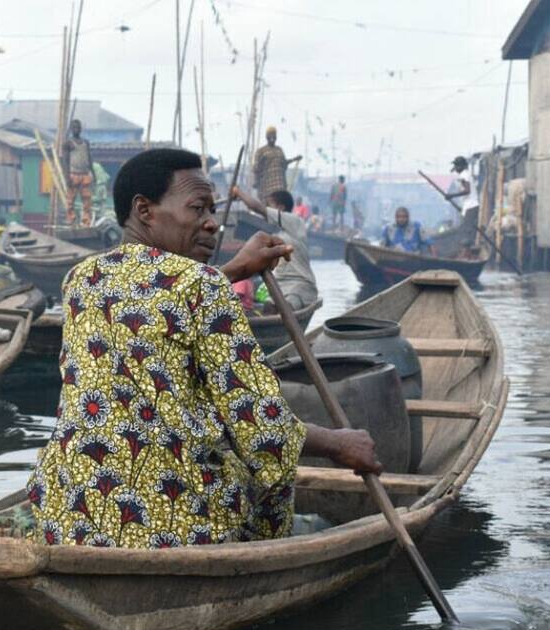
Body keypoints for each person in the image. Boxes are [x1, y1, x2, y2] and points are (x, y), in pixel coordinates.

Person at [28, 148, 380, 549]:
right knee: (266, 471)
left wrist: (230, 273)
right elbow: (263, 429)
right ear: (144, 209)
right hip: (170, 524)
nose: (212, 224)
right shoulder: (202, 286)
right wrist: (339, 444)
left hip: (70, 513)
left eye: (212, 210)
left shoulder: (82, 279)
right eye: (198, 209)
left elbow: (153, 302)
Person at [232, 186, 319, 310]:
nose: (266, 209)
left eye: (270, 205)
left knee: (288, 306)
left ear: (281, 208)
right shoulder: (273, 233)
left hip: (300, 285)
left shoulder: (295, 222)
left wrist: (238, 192)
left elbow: (257, 208)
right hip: (278, 285)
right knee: (268, 307)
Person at [61, 119, 95, 226]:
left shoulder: (86, 143)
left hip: (85, 174)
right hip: (73, 174)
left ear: (81, 129)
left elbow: (89, 159)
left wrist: (93, 173)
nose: (77, 129)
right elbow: (65, 161)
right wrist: (66, 177)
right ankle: (71, 220)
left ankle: (86, 221)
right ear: (71, 129)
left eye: (78, 127)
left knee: (87, 200)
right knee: (70, 201)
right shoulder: (68, 143)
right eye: (74, 127)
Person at [253, 126, 301, 198]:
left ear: (276, 137)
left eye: (274, 136)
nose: (272, 137)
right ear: (267, 137)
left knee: (281, 205)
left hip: (280, 185)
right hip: (267, 188)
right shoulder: (261, 151)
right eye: (270, 135)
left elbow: (284, 163)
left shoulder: (279, 150)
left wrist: (294, 159)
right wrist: (256, 182)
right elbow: (255, 168)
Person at [447, 155, 479, 233]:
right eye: (455, 165)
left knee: (467, 230)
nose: (456, 168)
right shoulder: (465, 175)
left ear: (462, 166)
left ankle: (468, 244)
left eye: (457, 165)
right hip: (470, 206)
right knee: (468, 228)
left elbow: (467, 191)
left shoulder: (463, 176)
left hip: (471, 206)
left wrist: (451, 195)